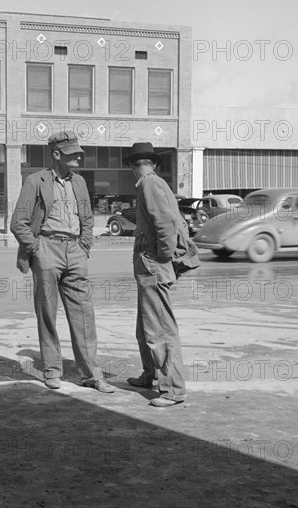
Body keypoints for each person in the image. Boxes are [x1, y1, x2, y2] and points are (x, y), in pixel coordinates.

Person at [10, 131, 114, 393]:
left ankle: (92, 373)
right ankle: (52, 370)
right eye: (72, 154)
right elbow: (17, 222)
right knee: (47, 313)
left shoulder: (79, 182)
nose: (78, 157)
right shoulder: (35, 181)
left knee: (84, 315)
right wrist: (36, 248)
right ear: (57, 155)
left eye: (79, 153)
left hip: (75, 250)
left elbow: (88, 218)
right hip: (47, 249)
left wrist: (84, 244)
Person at [123, 142, 189, 407]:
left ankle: (172, 389)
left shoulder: (149, 184)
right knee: (145, 327)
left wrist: (160, 257)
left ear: (131, 166)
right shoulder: (153, 183)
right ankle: (150, 375)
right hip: (149, 264)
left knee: (159, 329)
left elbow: (165, 224)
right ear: (153, 163)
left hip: (152, 263)